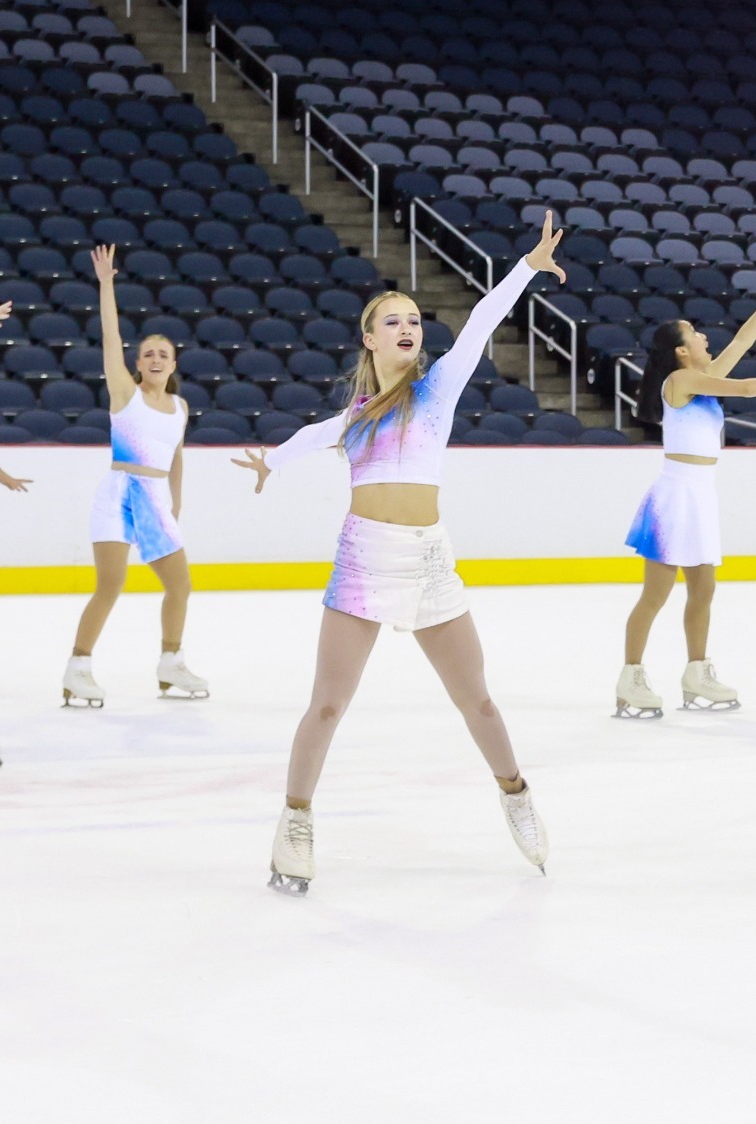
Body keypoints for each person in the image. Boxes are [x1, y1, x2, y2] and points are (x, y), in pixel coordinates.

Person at [233, 212, 570, 894]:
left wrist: (527, 268)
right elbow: (307, 438)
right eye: (393, 319)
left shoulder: (437, 392)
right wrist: (271, 463)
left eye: (414, 318)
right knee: (327, 705)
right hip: (363, 559)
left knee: (476, 701)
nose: (408, 326)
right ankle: (295, 821)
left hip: (428, 562)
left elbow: (479, 322)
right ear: (369, 336)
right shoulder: (353, 418)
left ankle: (515, 793)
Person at [614, 281, 756, 717]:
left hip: (701, 494)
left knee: (703, 589)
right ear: (681, 351)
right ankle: (630, 677)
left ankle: (696, 672)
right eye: (695, 333)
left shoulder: (702, 379)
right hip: (675, 495)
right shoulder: (681, 380)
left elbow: (743, 342)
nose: (705, 336)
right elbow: (746, 390)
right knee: (655, 593)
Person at [62, 246, 205, 708]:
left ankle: (170, 662)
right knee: (111, 585)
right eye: (148, 354)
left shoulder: (180, 407)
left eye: (165, 353)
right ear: (138, 364)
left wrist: (175, 503)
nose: (157, 359)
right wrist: (107, 285)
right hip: (119, 493)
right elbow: (109, 338)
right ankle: (77, 668)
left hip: (156, 499)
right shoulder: (126, 394)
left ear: (174, 363)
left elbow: (177, 456)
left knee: (180, 585)